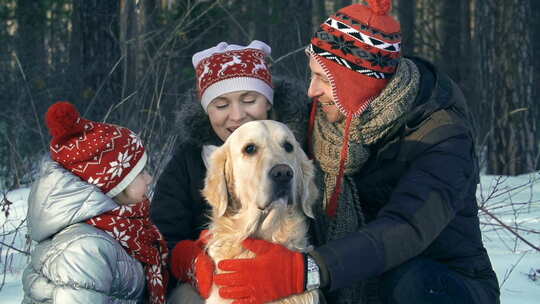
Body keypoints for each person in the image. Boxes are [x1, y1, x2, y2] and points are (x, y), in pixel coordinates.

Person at [184, 1, 501, 304]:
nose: (312, 90)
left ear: (358, 83)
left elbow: (405, 228)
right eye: (312, 76)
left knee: (409, 282)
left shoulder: (441, 138)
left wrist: (305, 271)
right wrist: (202, 251)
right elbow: (244, 132)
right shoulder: (320, 119)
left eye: (323, 79)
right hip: (347, 274)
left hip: (439, 284)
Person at [148, 41, 309, 296]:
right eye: (221, 105)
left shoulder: (299, 148)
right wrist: (187, 260)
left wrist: (302, 270)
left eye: (249, 100)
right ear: (207, 110)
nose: (237, 116)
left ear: (268, 101)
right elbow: (162, 235)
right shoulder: (188, 159)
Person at [21, 102, 169, 304]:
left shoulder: (124, 230)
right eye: (140, 172)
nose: (149, 178)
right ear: (114, 183)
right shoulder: (84, 248)